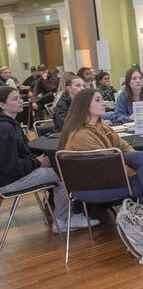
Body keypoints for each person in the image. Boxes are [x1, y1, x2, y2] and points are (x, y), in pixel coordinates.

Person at [58, 89, 143, 218]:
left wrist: (137, 169)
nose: (103, 103)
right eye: (98, 100)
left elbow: (122, 146)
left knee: (142, 163)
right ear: (84, 106)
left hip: (105, 177)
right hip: (92, 186)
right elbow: (107, 165)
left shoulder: (102, 126)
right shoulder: (81, 136)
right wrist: (135, 172)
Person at [0, 86, 97, 233]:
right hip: (11, 181)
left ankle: (65, 217)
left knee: (58, 169)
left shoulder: (12, 125)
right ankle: (64, 220)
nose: (21, 101)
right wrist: (37, 162)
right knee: (65, 175)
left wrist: (37, 162)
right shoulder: (6, 129)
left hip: (12, 177)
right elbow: (10, 166)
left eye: (20, 97)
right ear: (2, 105)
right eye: (15, 99)